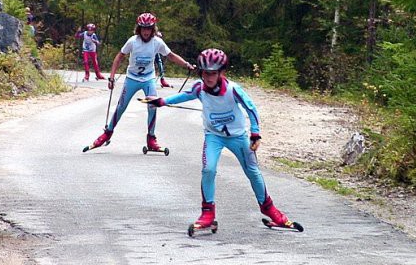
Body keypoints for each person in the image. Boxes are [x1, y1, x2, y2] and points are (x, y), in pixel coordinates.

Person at [144, 48, 298, 231]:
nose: (208, 78)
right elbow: (183, 96)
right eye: (205, 73)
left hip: (238, 137)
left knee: (253, 172)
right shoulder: (199, 88)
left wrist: (255, 133)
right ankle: (208, 213)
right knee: (208, 169)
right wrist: (161, 101)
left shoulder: (233, 90)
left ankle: (270, 210)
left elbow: (251, 109)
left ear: (221, 73)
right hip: (214, 137)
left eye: (213, 74)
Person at [90, 12, 195, 150]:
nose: (146, 31)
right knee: (121, 106)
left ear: (153, 29)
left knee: (152, 105)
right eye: (143, 28)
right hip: (132, 78)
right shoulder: (133, 41)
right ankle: (107, 133)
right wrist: (111, 77)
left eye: (149, 28)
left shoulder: (157, 42)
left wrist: (186, 64)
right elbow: (119, 57)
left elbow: (171, 55)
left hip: (148, 78)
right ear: (139, 28)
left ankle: (151, 138)